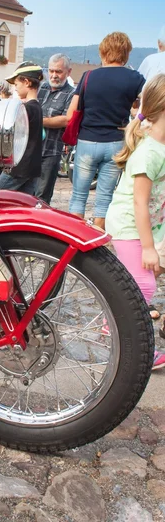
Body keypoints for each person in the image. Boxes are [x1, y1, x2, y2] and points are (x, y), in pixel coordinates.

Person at [106, 74, 165, 369]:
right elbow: (139, 202)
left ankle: (116, 324)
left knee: (144, 281)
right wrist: (148, 247)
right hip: (130, 226)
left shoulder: (158, 146)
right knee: (141, 286)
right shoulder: (149, 153)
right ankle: (122, 334)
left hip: (146, 225)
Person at [68, 32, 145, 229]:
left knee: (78, 196)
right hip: (116, 142)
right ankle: (97, 247)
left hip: (87, 141)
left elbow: (72, 112)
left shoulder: (88, 76)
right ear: (126, 53)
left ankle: (74, 242)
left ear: (103, 51)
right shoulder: (135, 78)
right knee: (104, 199)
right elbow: (148, 105)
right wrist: (135, 121)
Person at [34, 54, 75, 204]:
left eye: (58, 72)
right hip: (31, 150)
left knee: (42, 198)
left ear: (68, 72)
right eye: (51, 71)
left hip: (51, 152)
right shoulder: (40, 88)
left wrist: (37, 120)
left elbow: (66, 120)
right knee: (25, 195)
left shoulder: (71, 93)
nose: (54, 75)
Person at [0, 62, 43, 194]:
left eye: (16, 84)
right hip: (31, 166)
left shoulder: (27, 109)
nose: (15, 89)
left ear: (27, 82)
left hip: (20, 166)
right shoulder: (37, 107)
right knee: (23, 204)